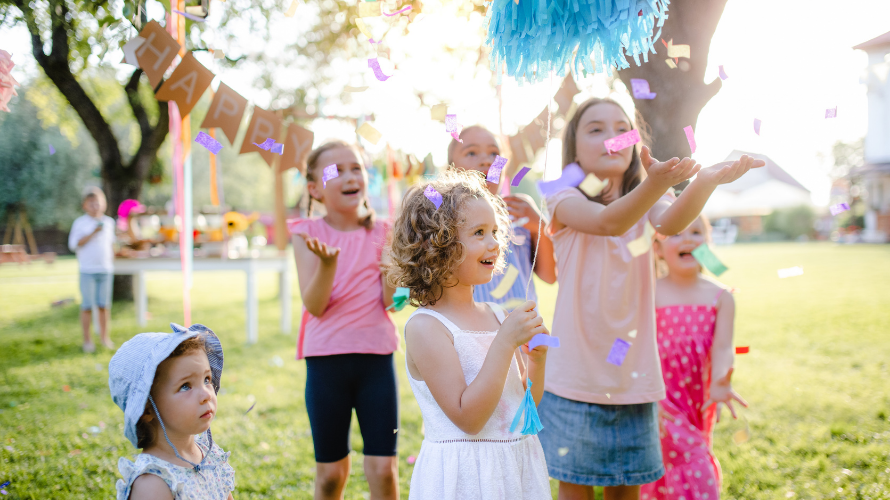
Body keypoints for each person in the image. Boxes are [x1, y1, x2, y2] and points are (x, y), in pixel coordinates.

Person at [536, 97, 764, 500]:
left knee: (628, 492)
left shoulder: (649, 199)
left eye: (621, 128)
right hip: (574, 382)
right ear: (573, 148)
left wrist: (705, 179)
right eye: (595, 129)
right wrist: (657, 182)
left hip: (635, 383)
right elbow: (608, 221)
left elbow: (673, 221)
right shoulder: (563, 197)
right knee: (576, 490)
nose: (611, 138)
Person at [387, 168, 553, 499]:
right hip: (466, 478)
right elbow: (469, 418)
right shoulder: (426, 327)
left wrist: (537, 361)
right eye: (479, 232)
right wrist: (506, 343)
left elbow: (523, 410)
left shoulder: (496, 315)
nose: (494, 243)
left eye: (495, 231)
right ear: (438, 244)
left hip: (513, 468)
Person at [288, 141, 400, 500]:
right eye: (336, 171)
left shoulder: (384, 231)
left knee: (383, 470)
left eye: (357, 168)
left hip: (376, 360)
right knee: (331, 476)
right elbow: (315, 305)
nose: (350, 176)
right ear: (315, 189)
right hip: (326, 362)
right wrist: (328, 265)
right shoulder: (306, 232)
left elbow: (392, 302)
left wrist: (393, 271)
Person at [641, 216, 748, 500]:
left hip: (699, 398)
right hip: (661, 397)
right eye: (676, 233)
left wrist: (720, 382)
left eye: (697, 232)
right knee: (690, 459)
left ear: (707, 244)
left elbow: (724, 347)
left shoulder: (721, 297)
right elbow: (633, 344)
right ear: (658, 249)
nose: (688, 238)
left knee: (690, 452)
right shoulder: (650, 293)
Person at [108, 323, 235, 499]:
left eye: (206, 379)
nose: (206, 394)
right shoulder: (154, 482)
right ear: (147, 409)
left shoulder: (209, 455)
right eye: (185, 386)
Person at [448, 126, 557, 309]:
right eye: (472, 153)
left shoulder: (519, 211)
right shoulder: (444, 218)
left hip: (524, 328)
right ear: (450, 168)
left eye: (494, 154)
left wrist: (539, 226)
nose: (486, 161)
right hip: (474, 331)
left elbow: (549, 276)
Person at [68, 187, 116, 352]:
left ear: (104, 204)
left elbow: (111, 245)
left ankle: (104, 338)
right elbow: (74, 245)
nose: (95, 206)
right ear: (85, 205)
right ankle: (87, 340)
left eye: (98, 203)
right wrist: (93, 232)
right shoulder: (80, 223)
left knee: (104, 306)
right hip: (87, 270)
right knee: (87, 306)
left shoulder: (109, 222)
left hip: (105, 270)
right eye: (91, 203)